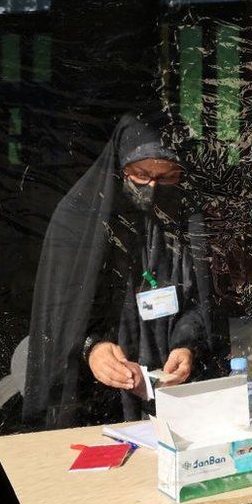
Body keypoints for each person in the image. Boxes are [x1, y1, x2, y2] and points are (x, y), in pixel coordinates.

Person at [23, 112, 214, 429]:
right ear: (118, 168)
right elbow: (58, 317)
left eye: (166, 177)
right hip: (97, 399)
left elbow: (200, 300)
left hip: (171, 392)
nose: (152, 189)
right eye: (140, 175)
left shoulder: (181, 223)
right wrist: (91, 349)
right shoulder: (77, 221)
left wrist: (186, 344)